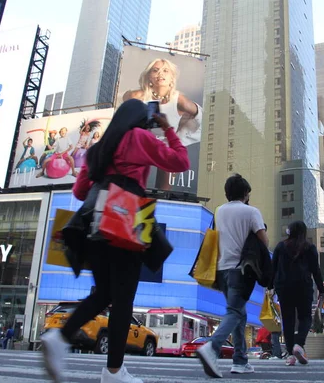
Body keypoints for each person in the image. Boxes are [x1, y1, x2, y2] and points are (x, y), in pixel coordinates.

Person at [40, 99, 190, 383]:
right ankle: (112, 372)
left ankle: (61, 338)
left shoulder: (98, 149)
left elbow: (81, 190)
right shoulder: (139, 137)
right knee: (123, 300)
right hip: (126, 220)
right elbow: (180, 161)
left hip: (95, 222)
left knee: (104, 293)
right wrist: (168, 130)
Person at [196, 174, 268, 378]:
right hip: (241, 269)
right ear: (246, 193)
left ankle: (240, 360)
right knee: (235, 312)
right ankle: (212, 347)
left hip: (221, 270)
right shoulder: (251, 212)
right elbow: (264, 241)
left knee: (239, 313)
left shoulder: (219, 211)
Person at [122, 58, 202, 191]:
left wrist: (180, 137)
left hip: (166, 145)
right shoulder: (137, 96)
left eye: (165, 71)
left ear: (172, 77)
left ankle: (160, 203)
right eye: (156, 70)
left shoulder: (180, 101)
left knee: (165, 186)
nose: (160, 74)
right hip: (141, 144)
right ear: (149, 76)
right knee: (131, 183)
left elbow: (201, 118)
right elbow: (125, 105)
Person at [271, 220, 324, 366]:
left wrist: (270, 285)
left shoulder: (281, 246)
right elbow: (316, 270)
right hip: (304, 287)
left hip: (284, 288)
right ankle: (299, 345)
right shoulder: (310, 247)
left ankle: (290, 354)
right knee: (305, 317)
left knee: (288, 320)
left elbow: (273, 267)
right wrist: (321, 289)